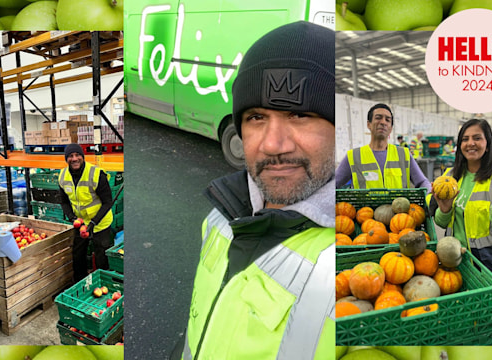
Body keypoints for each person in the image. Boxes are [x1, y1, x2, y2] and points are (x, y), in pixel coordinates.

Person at [180, 22, 334, 360]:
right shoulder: (220, 216)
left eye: (300, 114)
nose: (273, 144)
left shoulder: (362, 256)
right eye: (256, 117)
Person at [431, 119, 492, 290]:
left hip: (490, 263)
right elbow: (442, 223)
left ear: (488, 145)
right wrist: (444, 210)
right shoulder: (449, 177)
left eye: (477, 138)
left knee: (486, 312)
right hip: (455, 259)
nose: (470, 143)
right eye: (465, 139)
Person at [335, 103, 431, 190]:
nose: (383, 122)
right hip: (364, 209)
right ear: (369, 124)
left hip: (398, 209)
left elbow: (423, 182)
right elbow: (333, 185)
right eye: (378, 118)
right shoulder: (353, 156)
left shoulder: (404, 155)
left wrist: (428, 193)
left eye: (387, 120)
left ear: (391, 128)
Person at [58, 143, 114, 282]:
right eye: (70, 156)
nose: (74, 159)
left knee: (101, 257)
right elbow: (64, 201)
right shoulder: (63, 175)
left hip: (100, 222)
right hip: (81, 222)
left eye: (77, 155)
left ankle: (104, 284)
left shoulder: (95, 174)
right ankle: (80, 284)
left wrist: (94, 222)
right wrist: (72, 218)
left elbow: (108, 202)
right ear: (67, 159)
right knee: (78, 255)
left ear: (83, 157)